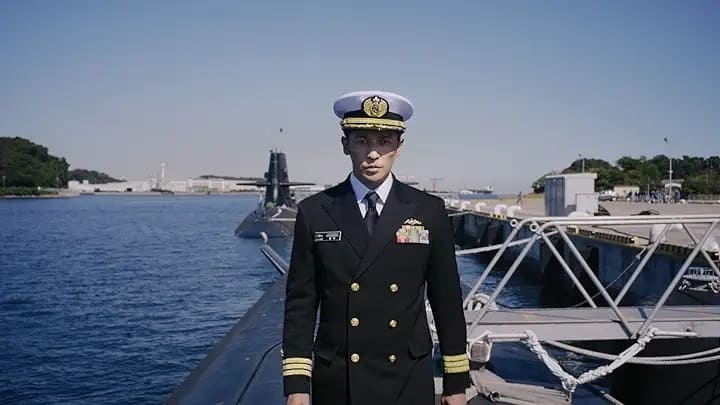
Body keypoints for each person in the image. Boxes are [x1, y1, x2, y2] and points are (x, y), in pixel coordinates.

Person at [282, 91, 469, 405]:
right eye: (361, 141)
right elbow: (302, 302)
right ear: (345, 145)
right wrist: (297, 385)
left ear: (399, 146)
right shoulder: (315, 212)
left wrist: (456, 383)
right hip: (339, 377)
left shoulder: (428, 210)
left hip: (406, 376)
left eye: (384, 142)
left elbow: (446, 300)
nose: (373, 153)